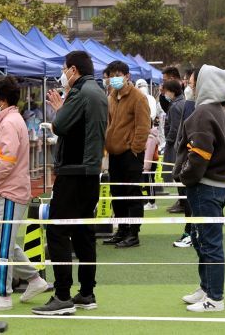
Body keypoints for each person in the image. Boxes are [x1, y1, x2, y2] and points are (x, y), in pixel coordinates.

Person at [32, 51, 107, 316]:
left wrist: (60, 107)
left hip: (74, 171)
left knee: (58, 231)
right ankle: (86, 292)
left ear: (73, 70)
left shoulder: (80, 92)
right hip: (89, 172)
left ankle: (62, 295)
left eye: (65, 69)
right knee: (84, 232)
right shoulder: (98, 92)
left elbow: (60, 125)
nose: (63, 73)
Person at [0, 76, 52, 310]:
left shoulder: (10, 123)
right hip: (13, 189)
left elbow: (6, 160)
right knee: (7, 243)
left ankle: (2, 294)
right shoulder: (12, 120)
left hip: (10, 190)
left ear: (0, 100)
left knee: (1, 246)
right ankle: (34, 279)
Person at [176, 64, 225, 313]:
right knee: (203, 240)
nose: (190, 86)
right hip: (215, 185)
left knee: (209, 242)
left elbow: (199, 155)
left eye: (193, 82)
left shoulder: (203, 113)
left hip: (205, 185)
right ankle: (206, 287)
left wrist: (185, 175)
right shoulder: (218, 111)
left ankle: (215, 297)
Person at [102, 61, 150, 249]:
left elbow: (143, 126)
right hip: (114, 153)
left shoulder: (138, 97)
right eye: (111, 75)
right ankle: (122, 229)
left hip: (131, 154)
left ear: (127, 76)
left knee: (132, 193)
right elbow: (109, 122)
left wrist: (135, 148)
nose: (114, 78)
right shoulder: (111, 97)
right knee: (117, 193)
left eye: (118, 74)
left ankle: (133, 232)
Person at [173, 69, 200, 247]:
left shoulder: (204, 106)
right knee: (191, 200)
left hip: (197, 162)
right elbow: (181, 136)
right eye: (188, 83)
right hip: (188, 161)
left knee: (196, 200)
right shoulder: (189, 104)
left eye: (191, 83)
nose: (188, 86)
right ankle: (190, 232)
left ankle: (193, 233)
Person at [136, 78, 163, 210]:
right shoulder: (150, 99)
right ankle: (149, 201)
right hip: (149, 158)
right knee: (147, 179)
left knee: (149, 179)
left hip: (149, 160)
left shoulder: (151, 135)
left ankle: (151, 202)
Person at [162, 79, 187, 214]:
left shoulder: (176, 106)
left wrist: (169, 140)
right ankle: (182, 200)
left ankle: (183, 202)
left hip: (176, 145)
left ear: (172, 91)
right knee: (179, 173)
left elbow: (175, 128)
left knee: (177, 173)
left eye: (166, 91)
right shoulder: (181, 103)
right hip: (180, 143)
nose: (165, 93)